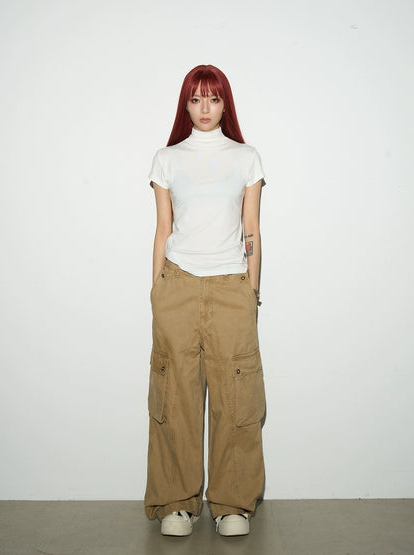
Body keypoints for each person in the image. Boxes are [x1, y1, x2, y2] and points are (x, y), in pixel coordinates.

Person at [144, 64, 266, 537]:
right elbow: (163, 229)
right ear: (186, 105)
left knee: (237, 396)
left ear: (225, 104)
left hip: (231, 286)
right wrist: (158, 290)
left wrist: (251, 292)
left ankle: (232, 504)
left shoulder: (246, 158)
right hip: (177, 284)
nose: (205, 108)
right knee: (175, 395)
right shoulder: (167, 159)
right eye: (195, 99)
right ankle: (177, 503)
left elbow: (251, 228)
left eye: (213, 98)